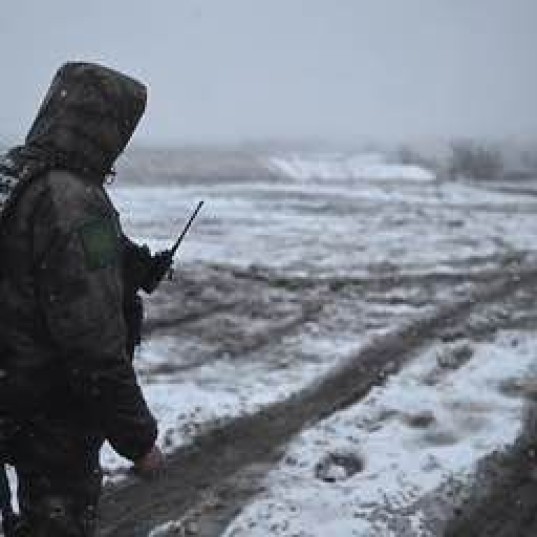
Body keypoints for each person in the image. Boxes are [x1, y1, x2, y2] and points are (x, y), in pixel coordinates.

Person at [0, 62, 164, 536]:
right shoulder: (75, 202)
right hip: (49, 414)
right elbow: (93, 342)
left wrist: (125, 261)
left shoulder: (13, 175)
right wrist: (139, 440)